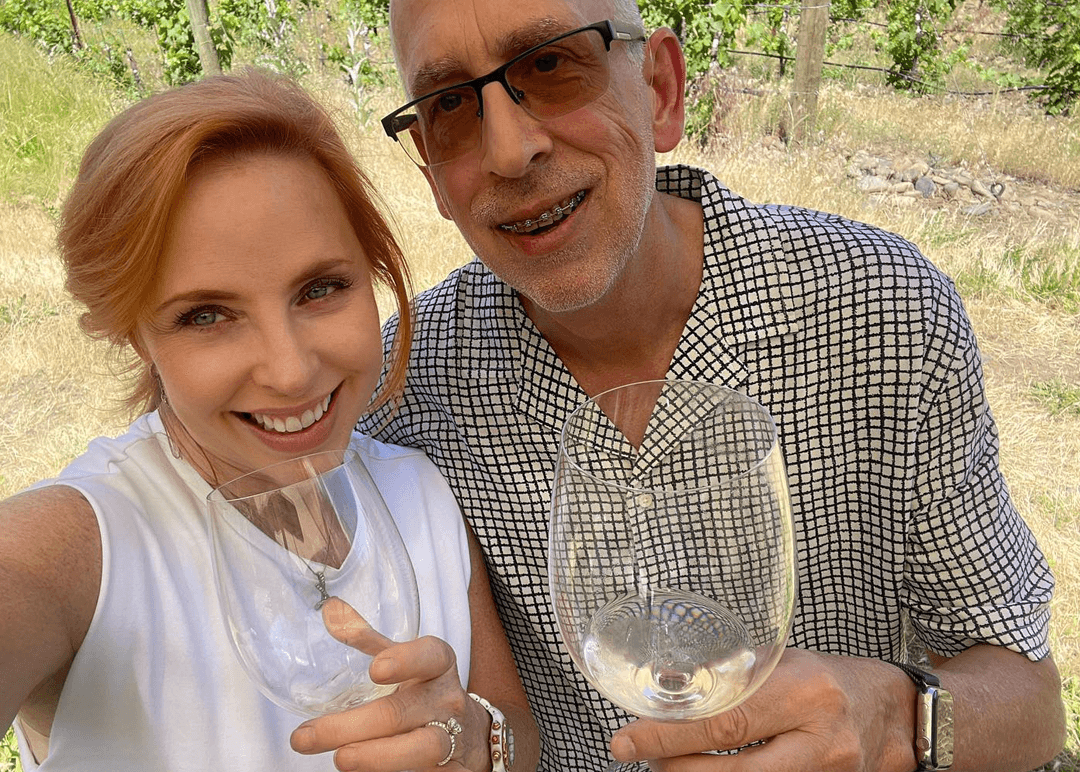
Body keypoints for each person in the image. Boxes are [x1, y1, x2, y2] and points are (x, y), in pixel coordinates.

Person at [289, 0, 1069, 770]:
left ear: (660, 89)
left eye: (552, 65)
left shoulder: (882, 310)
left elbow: (1032, 702)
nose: (509, 149)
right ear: (429, 168)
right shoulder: (402, 391)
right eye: (450, 104)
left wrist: (895, 717)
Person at [0, 69, 538, 772]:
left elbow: (514, 731)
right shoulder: (82, 545)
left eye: (321, 289)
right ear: (138, 337)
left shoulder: (420, 492)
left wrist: (472, 742)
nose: (289, 371)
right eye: (206, 316)